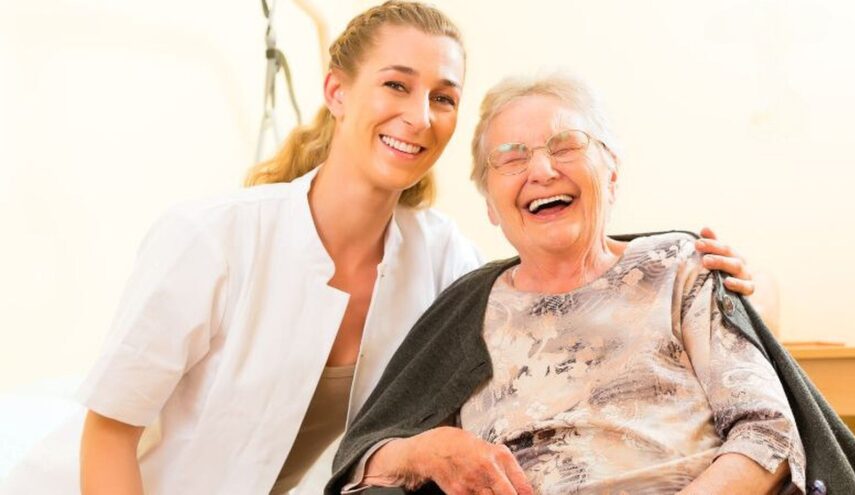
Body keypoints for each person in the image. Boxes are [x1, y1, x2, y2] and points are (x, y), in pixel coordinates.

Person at [0, 3, 759, 495]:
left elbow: (546, 286)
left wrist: (670, 262)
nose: (418, 115)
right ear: (336, 92)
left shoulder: (442, 257)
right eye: (395, 85)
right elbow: (109, 434)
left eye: (443, 96)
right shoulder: (213, 237)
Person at [327, 74, 855, 495]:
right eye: (511, 157)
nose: (541, 170)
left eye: (565, 145)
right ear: (492, 206)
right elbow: (362, 461)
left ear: (612, 172)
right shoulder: (467, 306)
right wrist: (425, 450)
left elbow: (767, 433)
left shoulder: (678, 268)